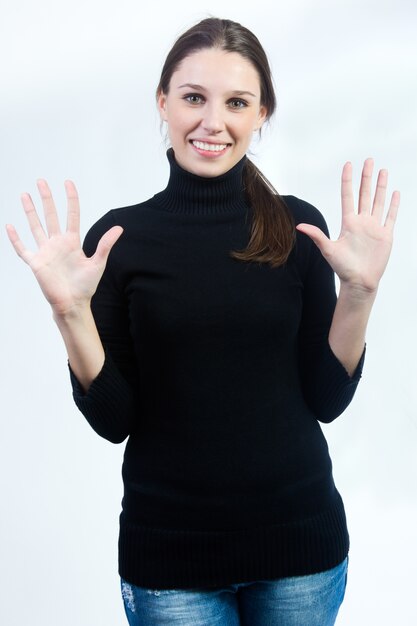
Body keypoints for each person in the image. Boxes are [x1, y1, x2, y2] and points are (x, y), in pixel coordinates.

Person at [6, 16, 400, 626]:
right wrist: (70, 313)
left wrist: (360, 292)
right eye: (193, 97)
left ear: (262, 113)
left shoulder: (297, 230)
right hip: (171, 565)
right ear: (163, 102)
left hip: (301, 554)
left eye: (236, 102)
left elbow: (326, 398)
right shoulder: (121, 240)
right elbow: (115, 421)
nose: (212, 122)